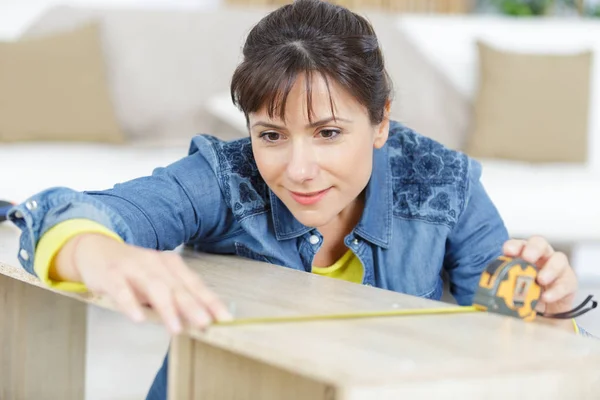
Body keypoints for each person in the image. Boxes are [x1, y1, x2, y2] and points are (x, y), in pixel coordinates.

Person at [7, 0, 594, 398]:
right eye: (271, 134)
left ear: (382, 121)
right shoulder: (225, 177)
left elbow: (505, 348)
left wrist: (546, 319)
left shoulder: (442, 183)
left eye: (329, 133)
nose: (299, 169)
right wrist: (98, 253)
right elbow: (72, 214)